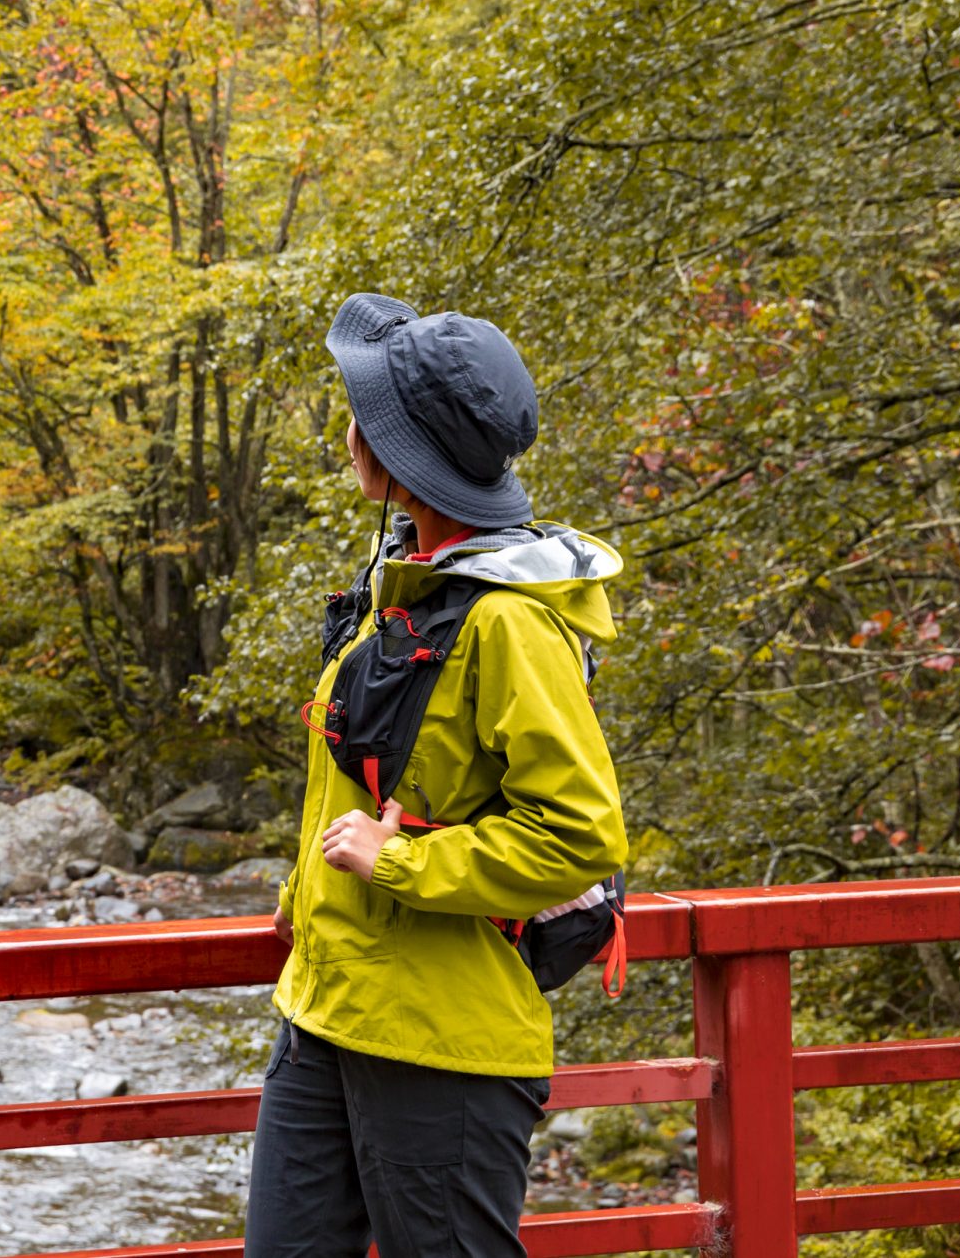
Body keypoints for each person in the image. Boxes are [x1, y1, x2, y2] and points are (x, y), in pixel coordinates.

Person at [246, 294, 629, 1258]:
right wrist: (303, 892)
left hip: (440, 1042)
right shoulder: (408, 580)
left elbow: (580, 835)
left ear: (394, 456)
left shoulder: (509, 620)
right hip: (324, 1013)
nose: (349, 425)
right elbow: (360, 779)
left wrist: (399, 865)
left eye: (363, 412)